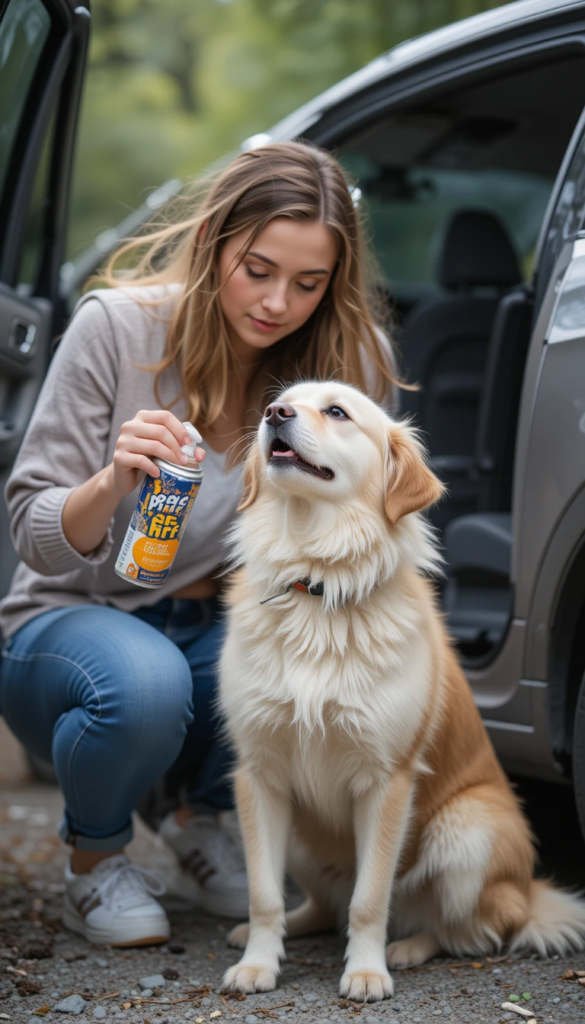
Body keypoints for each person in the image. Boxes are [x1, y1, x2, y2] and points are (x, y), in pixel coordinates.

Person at [0, 141, 399, 947]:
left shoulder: (348, 368)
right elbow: (34, 535)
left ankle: (198, 813)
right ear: (215, 240)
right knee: (144, 685)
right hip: (66, 628)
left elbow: (366, 531)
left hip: (221, 619)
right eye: (257, 269)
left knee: (311, 643)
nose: (278, 302)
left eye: (308, 283)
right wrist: (114, 479)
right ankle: (94, 859)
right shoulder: (116, 327)